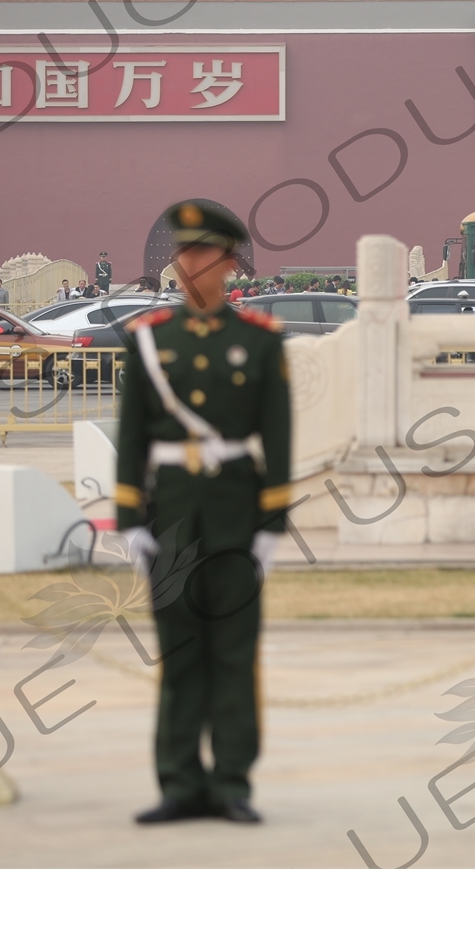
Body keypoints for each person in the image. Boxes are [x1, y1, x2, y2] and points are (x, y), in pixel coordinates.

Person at [115, 200, 293, 825]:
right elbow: (132, 434)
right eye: (184, 254)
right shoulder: (148, 340)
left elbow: (279, 436)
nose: (192, 265)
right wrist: (129, 518)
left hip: (236, 517)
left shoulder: (259, 342)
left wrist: (272, 526)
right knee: (180, 654)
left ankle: (232, 784)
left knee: (235, 656)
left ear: (230, 265)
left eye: (205, 255)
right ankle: (179, 782)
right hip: (171, 518)